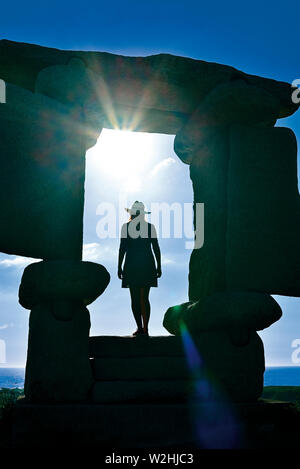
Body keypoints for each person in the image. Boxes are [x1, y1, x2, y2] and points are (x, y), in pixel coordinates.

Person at [118, 201, 161, 336]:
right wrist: (159, 265)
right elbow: (156, 247)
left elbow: (122, 248)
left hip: (132, 264)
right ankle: (144, 328)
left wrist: (119, 266)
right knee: (143, 298)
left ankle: (141, 328)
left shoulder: (127, 227)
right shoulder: (149, 227)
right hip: (146, 264)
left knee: (136, 298)